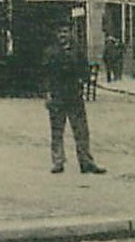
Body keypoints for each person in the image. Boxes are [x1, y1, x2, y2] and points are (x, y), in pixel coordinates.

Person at [43, 22, 104, 174]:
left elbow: (84, 70)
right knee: (57, 130)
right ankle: (58, 161)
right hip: (57, 95)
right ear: (56, 35)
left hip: (74, 95)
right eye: (60, 32)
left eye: (65, 31)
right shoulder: (50, 52)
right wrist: (47, 93)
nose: (63, 35)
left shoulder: (78, 51)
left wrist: (82, 79)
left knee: (81, 131)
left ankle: (86, 162)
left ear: (70, 33)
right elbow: (45, 76)